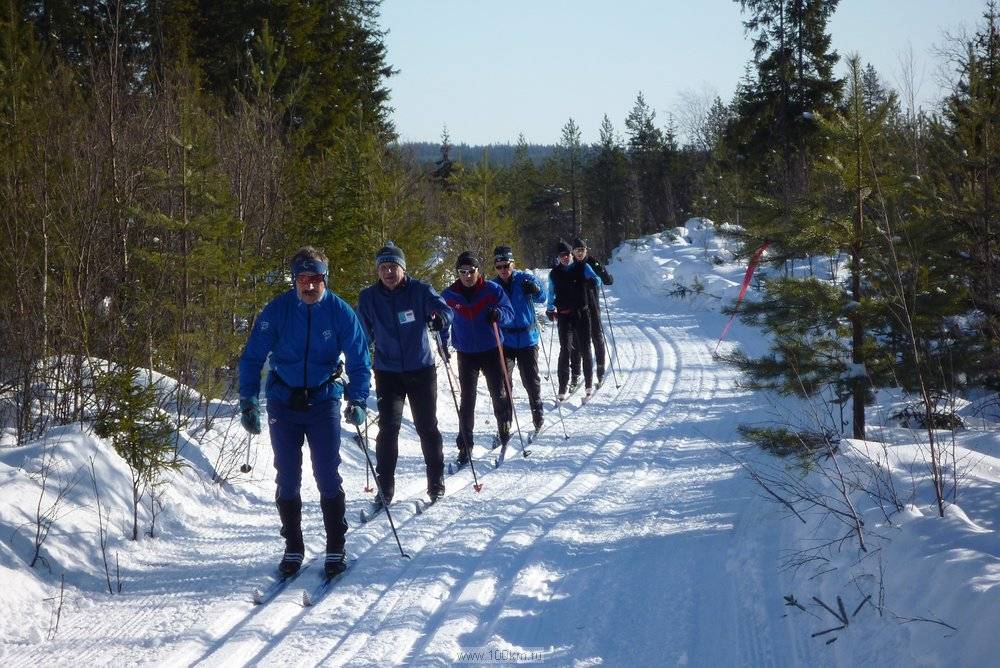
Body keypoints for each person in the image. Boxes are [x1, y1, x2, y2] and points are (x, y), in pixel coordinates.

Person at [238, 246, 371, 579]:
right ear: (294, 279)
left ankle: (336, 545)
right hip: (283, 399)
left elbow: (359, 359)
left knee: (326, 472)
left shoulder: (340, 313)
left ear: (324, 278)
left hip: (324, 398)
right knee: (287, 475)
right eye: (302, 278)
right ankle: (293, 544)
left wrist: (357, 400)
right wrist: (248, 400)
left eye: (315, 279)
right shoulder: (277, 311)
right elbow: (253, 356)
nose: (308, 286)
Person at [356, 242, 453, 508]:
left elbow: (445, 310)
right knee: (388, 429)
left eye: (393, 267)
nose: (388, 272)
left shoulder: (420, 290)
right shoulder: (368, 298)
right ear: (378, 270)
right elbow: (360, 334)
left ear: (403, 268)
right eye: (383, 267)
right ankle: (385, 489)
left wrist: (440, 319)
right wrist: (356, 356)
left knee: (427, 427)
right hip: (387, 372)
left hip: (421, 369)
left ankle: (436, 482)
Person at [441, 251, 515, 464]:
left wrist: (498, 314)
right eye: (462, 272)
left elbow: (509, 313)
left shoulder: (492, 290)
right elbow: (443, 321)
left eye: (471, 271)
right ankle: (465, 446)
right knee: (467, 399)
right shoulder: (450, 295)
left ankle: (504, 428)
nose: (467, 275)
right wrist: (443, 343)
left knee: (498, 393)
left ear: (478, 271)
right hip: (466, 353)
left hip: (491, 348)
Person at [489, 245, 546, 433]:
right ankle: (505, 423)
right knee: (504, 383)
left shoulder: (524, 279)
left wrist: (536, 289)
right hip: (506, 341)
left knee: (530, 380)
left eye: (506, 265)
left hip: (528, 339)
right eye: (499, 267)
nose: (503, 270)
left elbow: (542, 297)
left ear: (513, 263)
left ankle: (537, 411)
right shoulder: (493, 286)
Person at [546, 240, 602, 400]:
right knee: (565, 350)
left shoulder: (582, 267)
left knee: (585, 348)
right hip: (564, 315)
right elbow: (551, 292)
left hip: (581, 314)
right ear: (558, 257)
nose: (565, 257)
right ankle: (562, 387)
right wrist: (550, 308)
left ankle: (589, 385)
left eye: (567, 254)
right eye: (561, 255)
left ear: (571, 254)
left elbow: (597, 279)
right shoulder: (554, 273)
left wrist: (592, 281)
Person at [570, 237, 614, 385]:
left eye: (582, 250)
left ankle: (600, 370)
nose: (580, 253)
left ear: (586, 250)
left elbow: (606, 280)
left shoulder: (592, 262)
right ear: (573, 252)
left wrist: (599, 275)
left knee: (596, 336)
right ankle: (575, 373)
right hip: (577, 307)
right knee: (577, 341)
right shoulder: (571, 265)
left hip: (593, 304)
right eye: (577, 250)